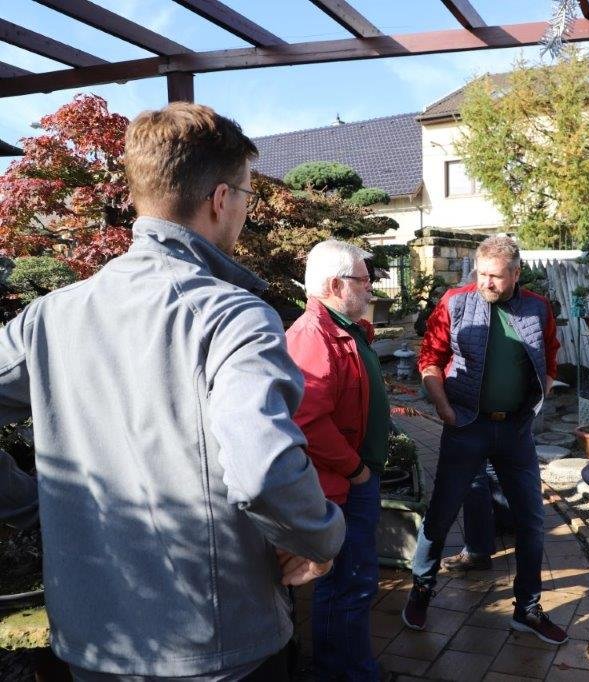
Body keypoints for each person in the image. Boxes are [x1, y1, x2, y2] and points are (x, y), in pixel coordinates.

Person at [0, 102, 345, 680]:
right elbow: (264, 469)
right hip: (218, 646)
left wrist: (31, 504)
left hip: (91, 643)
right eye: (246, 194)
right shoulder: (233, 317)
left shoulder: (47, 317)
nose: (245, 209)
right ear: (220, 199)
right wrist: (320, 536)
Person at [402, 235, 568, 645]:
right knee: (442, 512)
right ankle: (421, 588)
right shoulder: (456, 302)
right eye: (481, 274)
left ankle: (527, 609)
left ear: (516, 274)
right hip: (466, 426)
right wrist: (444, 408)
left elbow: (549, 356)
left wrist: (537, 401)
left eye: (495, 276)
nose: (486, 283)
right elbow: (430, 358)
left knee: (532, 520)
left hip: (515, 431)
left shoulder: (537, 308)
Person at [286, 240, 389, 681]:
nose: (371, 288)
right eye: (363, 280)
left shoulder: (344, 327)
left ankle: (347, 669)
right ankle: (345, 673)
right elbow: (306, 420)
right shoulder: (313, 337)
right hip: (342, 486)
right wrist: (356, 469)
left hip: (354, 481)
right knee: (349, 582)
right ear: (335, 285)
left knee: (353, 580)